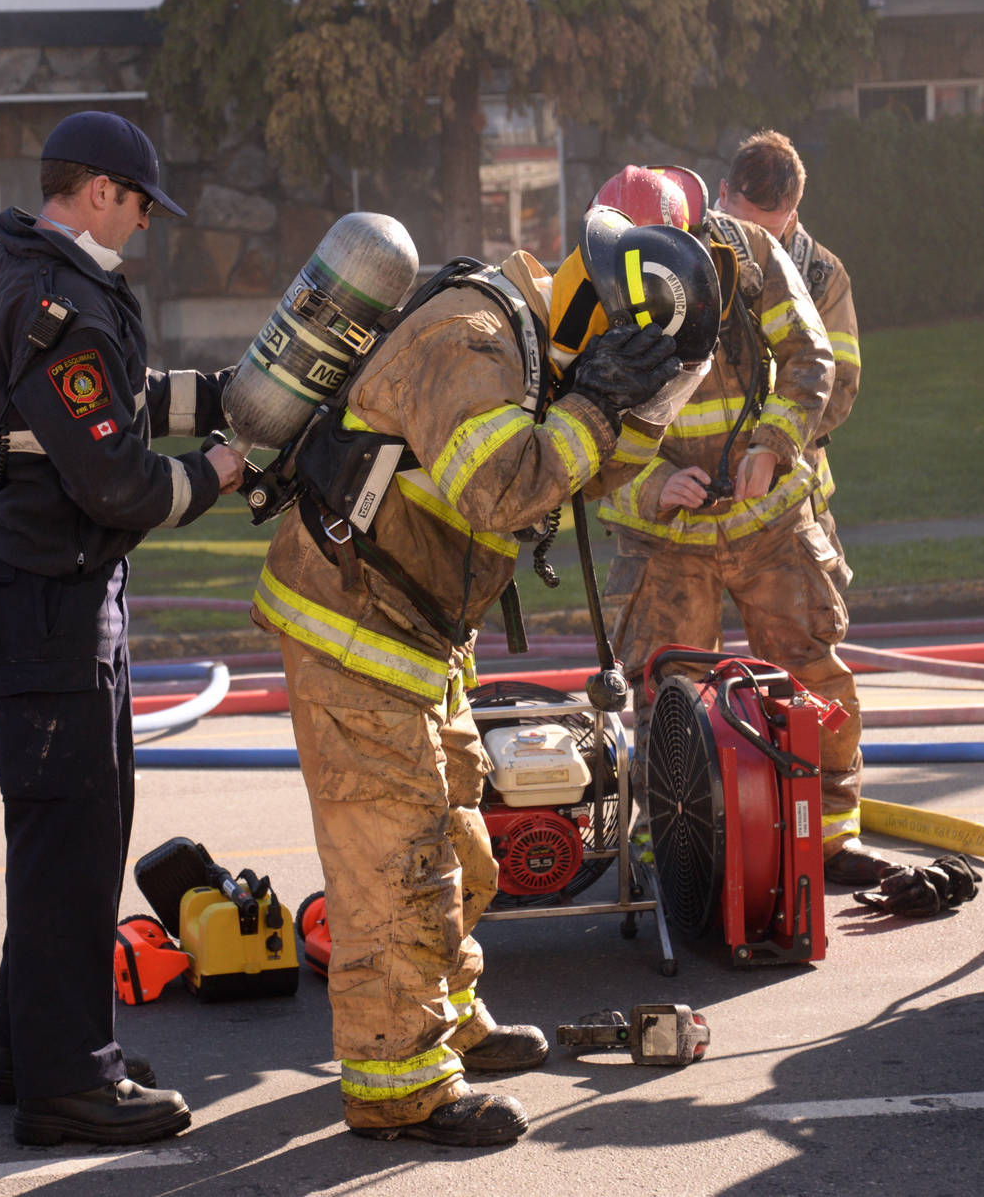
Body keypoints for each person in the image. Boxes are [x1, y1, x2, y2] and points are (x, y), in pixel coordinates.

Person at [253, 217, 710, 1146]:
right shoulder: (472, 340)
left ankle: (449, 1019)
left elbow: (583, 475)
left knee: (462, 847)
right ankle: (399, 1085)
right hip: (355, 632)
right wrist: (592, 409)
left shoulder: (536, 355)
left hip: (416, 635)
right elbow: (505, 488)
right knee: (400, 863)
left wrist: (619, 408)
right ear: (606, 320)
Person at [0, 110, 243, 1147]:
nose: (144, 227)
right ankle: (68, 1084)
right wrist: (219, 467)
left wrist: (219, 395)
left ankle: (31, 1052)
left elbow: (104, 407)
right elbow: (116, 477)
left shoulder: (25, 273)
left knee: (60, 844)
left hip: (47, 598)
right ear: (94, 192)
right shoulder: (57, 302)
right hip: (54, 604)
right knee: (69, 847)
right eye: (137, 206)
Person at [594, 151, 885, 888]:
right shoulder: (587, 292)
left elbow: (812, 357)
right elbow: (579, 446)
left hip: (770, 519)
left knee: (811, 671)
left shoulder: (746, 254)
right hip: (666, 542)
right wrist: (654, 484)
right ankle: (672, 847)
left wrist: (774, 445)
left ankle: (831, 837)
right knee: (670, 699)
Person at [717, 131, 861, 590]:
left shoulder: (822, 277)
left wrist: (769, 448)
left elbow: (837, 388)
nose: (753, 244)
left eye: (769, 231)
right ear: (722, 195)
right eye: (740, 226)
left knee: (810, 651)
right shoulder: (681, 259)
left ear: (793, 215)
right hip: (693, 499)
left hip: (791, 495)